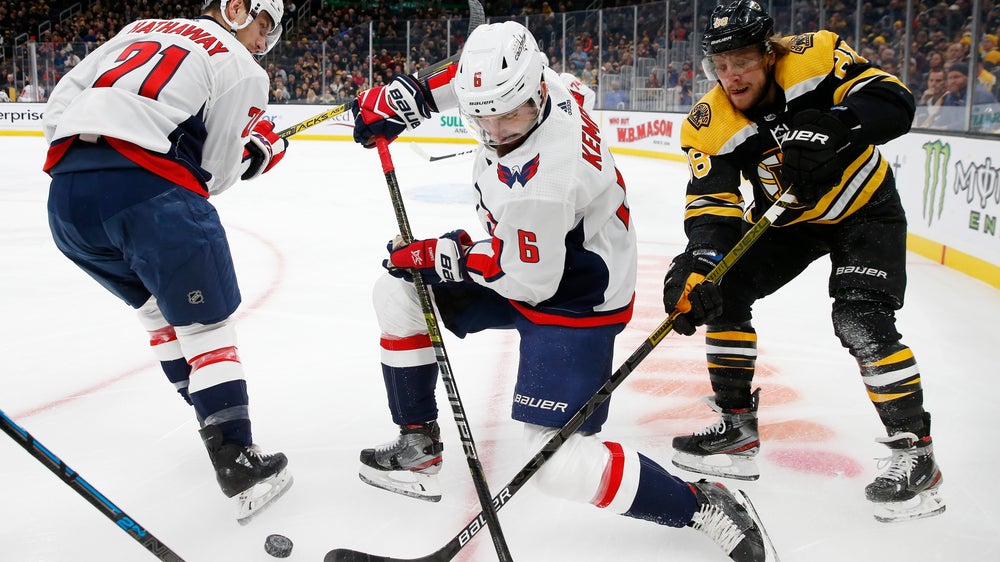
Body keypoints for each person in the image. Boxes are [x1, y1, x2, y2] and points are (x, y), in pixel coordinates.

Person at [349, 21, 775, 562]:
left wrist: (444, 254)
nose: (498, 130)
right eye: (484, 116)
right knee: (398, 294)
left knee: (556, 462)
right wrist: (408, 95)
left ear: (536, 94)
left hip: (576, 294)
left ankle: (703, 505)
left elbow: (529, 280)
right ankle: (417, 446)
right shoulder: (544, 84)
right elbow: (471, 80)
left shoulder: (550, 177)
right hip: (534, 257)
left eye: (510, 115)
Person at [661, 0, 944, 524]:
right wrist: (700, 263)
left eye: (741, 61)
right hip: (788, 223)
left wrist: (839, 124)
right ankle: (737, 426)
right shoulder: (710, 122)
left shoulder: (815, 56)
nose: (731, 76)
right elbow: (712, 207)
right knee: (720, 291)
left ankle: (916, 455)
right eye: (719, 66)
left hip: (866, 208)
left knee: (861, 320)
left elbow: (894, 100)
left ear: (768, 53)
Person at [41, 0, 292, 523]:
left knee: (156, 310)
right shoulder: (241, 65)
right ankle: (236, 458)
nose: (261, 43)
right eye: (263, 26)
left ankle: (208, 418)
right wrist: (256, 153)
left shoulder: (138, 27)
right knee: (206, 327)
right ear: (237, 9)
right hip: (149, 197)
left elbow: (59, 103)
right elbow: (216, 175)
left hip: (67, 201)